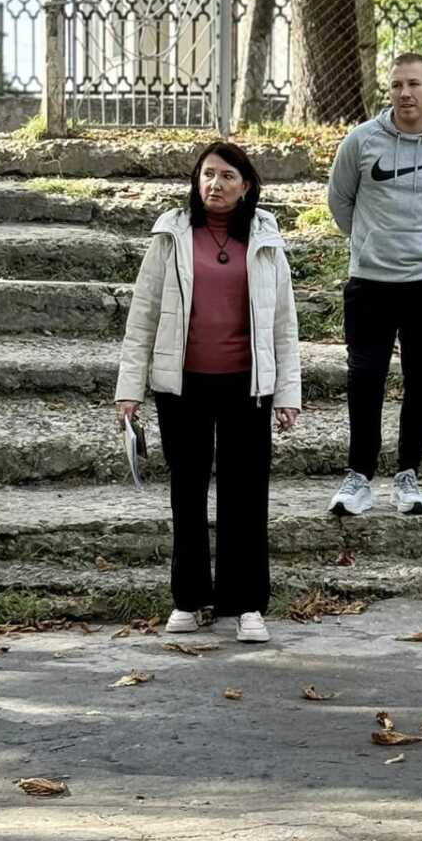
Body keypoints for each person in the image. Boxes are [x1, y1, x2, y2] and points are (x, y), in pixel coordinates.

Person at [114, 142, 302, 644]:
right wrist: (129, 390)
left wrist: (288, 393)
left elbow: (283, 323)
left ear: (246, 186)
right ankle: (189, 599)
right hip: (182, 386)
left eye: (227, 176)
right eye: (207, 175)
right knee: (187, 491)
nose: (215, 185)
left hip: (248, 387)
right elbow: (142, 317)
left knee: (246, 495)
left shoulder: (265, 237)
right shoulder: (171, 234)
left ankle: (246, 604)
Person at [325, 52, 422, 517]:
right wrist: (371, 244)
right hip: (370, 282)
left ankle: (408, 476)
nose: (405, 93)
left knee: (421, 381)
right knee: (365, 378)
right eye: (396, 85)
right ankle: (358, 477)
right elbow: (340, 201)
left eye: (414, 83)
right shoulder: (361, 141)